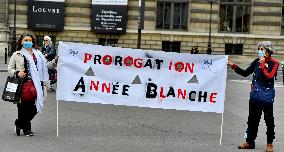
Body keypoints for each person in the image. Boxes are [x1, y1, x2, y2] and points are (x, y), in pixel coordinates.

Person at [227, 41, 279, 152]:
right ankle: (249, 142)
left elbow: (269, 76)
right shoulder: (256, 61)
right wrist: (233, 66)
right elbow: (245, 73)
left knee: (269, 121)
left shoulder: (274, 63)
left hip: (267, 97)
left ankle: (270, 144)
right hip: (255, 96)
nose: (259, 51)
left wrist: (263, 65)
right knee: (252, 120)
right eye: (259, 49)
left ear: (268, 51)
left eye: (262, 49)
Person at [8, 33, 49, 136]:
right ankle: (27, 129)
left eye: (29, 40)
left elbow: (46, 65)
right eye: (25, 40)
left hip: (36, 84)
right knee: (22, 107)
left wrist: (56, 61)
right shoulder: (17, 54)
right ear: (21, 42)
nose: (27, 42)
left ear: (32, 42)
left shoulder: (38, 54)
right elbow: (10, 69)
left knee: (34, 107)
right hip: (22, 84)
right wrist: (18, 73)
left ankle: (19, 123)